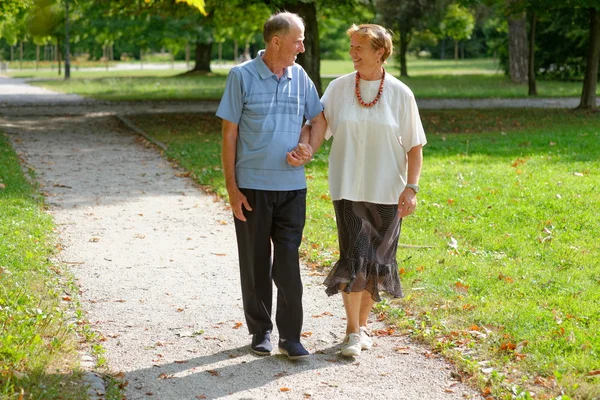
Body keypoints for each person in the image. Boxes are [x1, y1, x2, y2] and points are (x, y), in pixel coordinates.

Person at [302, 23, 426, 357]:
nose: (353, 53)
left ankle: (363, 326)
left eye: (360, 47)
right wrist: (307, 149)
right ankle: (352, 332)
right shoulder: (340, 88)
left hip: (388, 190)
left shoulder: (401, 93)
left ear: (380, 51)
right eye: (352, 47)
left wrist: (411, 188)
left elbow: (415, 147)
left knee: (378, 261)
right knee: (355, 257)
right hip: (349, 187)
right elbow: (319, 123)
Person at [216, 11, 326, 360]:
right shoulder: (241, 77)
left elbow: (318, 120)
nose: (302, 46)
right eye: (298, 40)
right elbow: (229, 134)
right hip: (252, 188)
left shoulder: (300, 76)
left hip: (293, 189)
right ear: (276, 42)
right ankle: (260, 330)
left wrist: (309, 148)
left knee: (288, 261)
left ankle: (290, 336)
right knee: (255, 261)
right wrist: (232, 189)